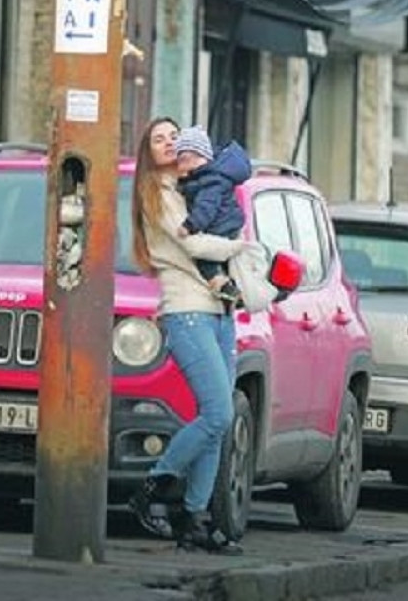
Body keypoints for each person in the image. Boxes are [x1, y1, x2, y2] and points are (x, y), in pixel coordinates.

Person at [128, 116, 247, 555]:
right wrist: (241, 246)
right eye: (158, 138)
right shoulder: (156, 195)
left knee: (218, 424)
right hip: (188, 312)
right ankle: (154, 487)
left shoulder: (193, 186)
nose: (168, 143)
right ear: (148, 152)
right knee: (217, 414)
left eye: (173, 136)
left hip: (219, 313)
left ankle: (196, 521)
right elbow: (196, 246)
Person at [172, 125, 251, 304]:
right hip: (225, 225)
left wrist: (189, 226)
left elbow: (206, 208)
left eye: (184, 159)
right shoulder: (207, 178)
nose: (180, 165)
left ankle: (222, 285)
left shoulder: (210, 181)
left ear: (201, 157)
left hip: (220, 228)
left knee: (205, 260)